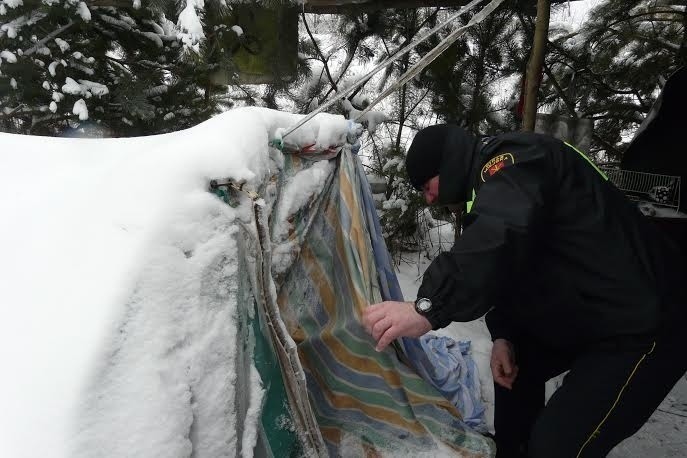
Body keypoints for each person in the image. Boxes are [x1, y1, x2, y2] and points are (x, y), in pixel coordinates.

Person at [362, 124, 687, 457]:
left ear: (447, 164)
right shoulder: (492, 185)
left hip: (645, 323)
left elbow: (500, 233)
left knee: (556, 445)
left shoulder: (513, 161)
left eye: (427, 187)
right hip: (593, 308)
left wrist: (426, 307)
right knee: (516, 367)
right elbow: (517, 268)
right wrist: (504, 335)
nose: (429, 199)